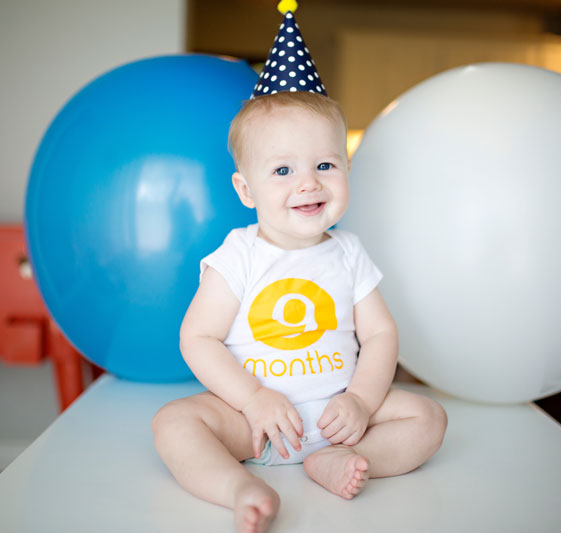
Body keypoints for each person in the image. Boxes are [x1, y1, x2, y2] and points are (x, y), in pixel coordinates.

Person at [152, 89, 447, 533]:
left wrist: (361, 402)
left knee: (428, 418)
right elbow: (197, 338)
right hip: (253, 422)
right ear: (246, 189)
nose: (308, 183)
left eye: (325, 165)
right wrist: (252, 399)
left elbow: (380, 335)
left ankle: (343, 459)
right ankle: (240, 489)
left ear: (347, 170)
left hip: (339, 415)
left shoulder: (349, 253)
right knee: (174, 423)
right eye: (283, 170)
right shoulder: (239, 255)